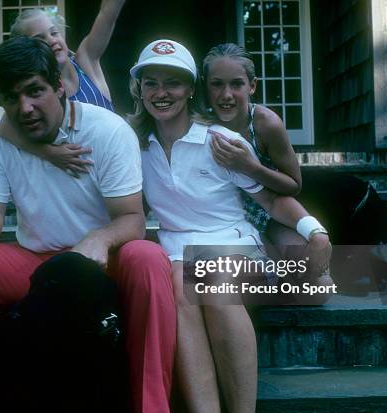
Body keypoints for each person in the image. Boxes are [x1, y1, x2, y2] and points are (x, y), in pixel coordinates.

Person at [0, 36, 176, 413]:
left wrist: (100, 239)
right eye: (11, 98)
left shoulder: (108, 131)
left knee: (150, 258)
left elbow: (132, 219)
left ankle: (151, 407)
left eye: (35, 91)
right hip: (36, 263)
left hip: (106, 264)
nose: (25, 108)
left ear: (59, 85)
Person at [127, 39, 332, 413]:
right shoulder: (133, 145)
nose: (161, 93)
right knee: (178, 284)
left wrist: (314, 230)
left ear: (190, 89)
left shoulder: (221, 141)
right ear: (138, 89)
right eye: (151, 83)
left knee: (215, 284)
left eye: (172, 83)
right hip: (176, 252)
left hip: (234, 244)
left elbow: (270, 198)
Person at [202, 43, 387, 247]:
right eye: (217, 84)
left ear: (252, 86)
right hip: (220, 218)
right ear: (205, 85)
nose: (226, 94)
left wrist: (250, 167)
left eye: (236, 84)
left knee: (304, 259)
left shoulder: (265, 124)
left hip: (268, 213)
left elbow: (294, 185)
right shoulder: (199, 124)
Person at [0, 1, 125, 175]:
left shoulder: (86, 61)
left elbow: (107, 14)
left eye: (54, 32)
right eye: (40, 39)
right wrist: (49, 153)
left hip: (118, 166)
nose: (52, 40)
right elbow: (3, 128)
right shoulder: (35, 92)